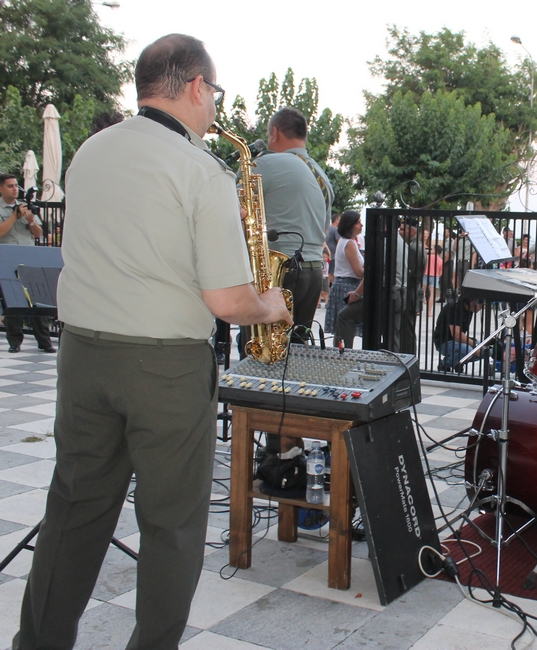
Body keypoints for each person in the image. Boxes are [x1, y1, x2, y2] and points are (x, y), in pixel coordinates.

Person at [14, 34, 292, 649]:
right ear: (196, 86)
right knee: (172, 526)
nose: (214, 106)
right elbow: (228, 302)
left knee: (73, 513)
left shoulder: (90, 152)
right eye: (214, 92)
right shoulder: (201, 170)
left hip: (82, 356)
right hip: (165, 368)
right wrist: (270, 303)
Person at [253, 107, 332, 334]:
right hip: (313, 269)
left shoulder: (267, 164)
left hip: (280, 270)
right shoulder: (320, 175)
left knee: (263, 344)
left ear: (274, 133)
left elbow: (233, 208)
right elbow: (324, 228)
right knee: (297, 346)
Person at [0, 176, 55, 353]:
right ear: (1, 189)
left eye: (16, 185)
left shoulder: (25, 206)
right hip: (7, 258)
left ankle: (44, 341)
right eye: (10, 186)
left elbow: (38, 234)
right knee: (13, 299)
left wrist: (30, 220)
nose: (15, 189)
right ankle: (14, 341)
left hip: (28, 257)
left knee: (37, 297)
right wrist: (14, 217)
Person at [325, 210, 363, 333]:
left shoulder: (345, 241)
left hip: (342, 285)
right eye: (358, 223)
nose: (361, 225)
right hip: (348, 286)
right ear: (350, 225)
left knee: (341, 329)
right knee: (346, 326)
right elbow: (358, 271)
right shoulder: (349, 243)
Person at [433, 296, 485, 371]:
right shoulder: (454, 307)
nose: (482, 307)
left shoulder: (469, 308)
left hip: (458, 341)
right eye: (481, 305)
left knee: (487, 351)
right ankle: (444, 364)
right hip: (444, 341)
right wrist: (475, 345)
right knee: (468, 350)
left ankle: (458, 362)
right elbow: (456, 334)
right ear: (472, 303)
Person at [398, 216, 426, 355]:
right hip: (413, 292)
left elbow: (407, 273)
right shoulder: (417, 245)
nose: (400, 232)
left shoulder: (413, 248)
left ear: (412, 231)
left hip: (410, 294)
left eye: (403, 229)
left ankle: (409, 359)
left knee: (407, 331)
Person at [425, 244, 443, 316]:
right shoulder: (441, 260)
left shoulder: (428, 257)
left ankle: (419, 309)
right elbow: (441, 272)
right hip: (435, 276)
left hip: (426, 275)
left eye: (432, 249)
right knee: (432, 294)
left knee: (422, 292)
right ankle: (429, 312)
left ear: (435, 250)